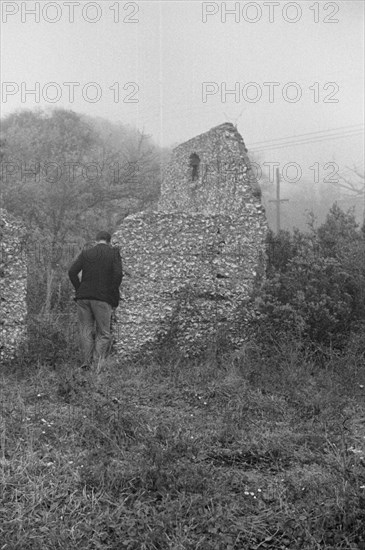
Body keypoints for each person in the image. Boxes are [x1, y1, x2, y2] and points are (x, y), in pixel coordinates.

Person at [68, 230, 123, 369]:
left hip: (83, 297)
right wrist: (112, 292)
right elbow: (118, 275)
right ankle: (96, 366)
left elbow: (72, 272)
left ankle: (86, 364)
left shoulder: (87, 253)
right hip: (102, 298)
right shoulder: (113, 253)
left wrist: (79, 288)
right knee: (103, 333)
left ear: (97, 240)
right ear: (109, 241)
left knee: (85, 331)